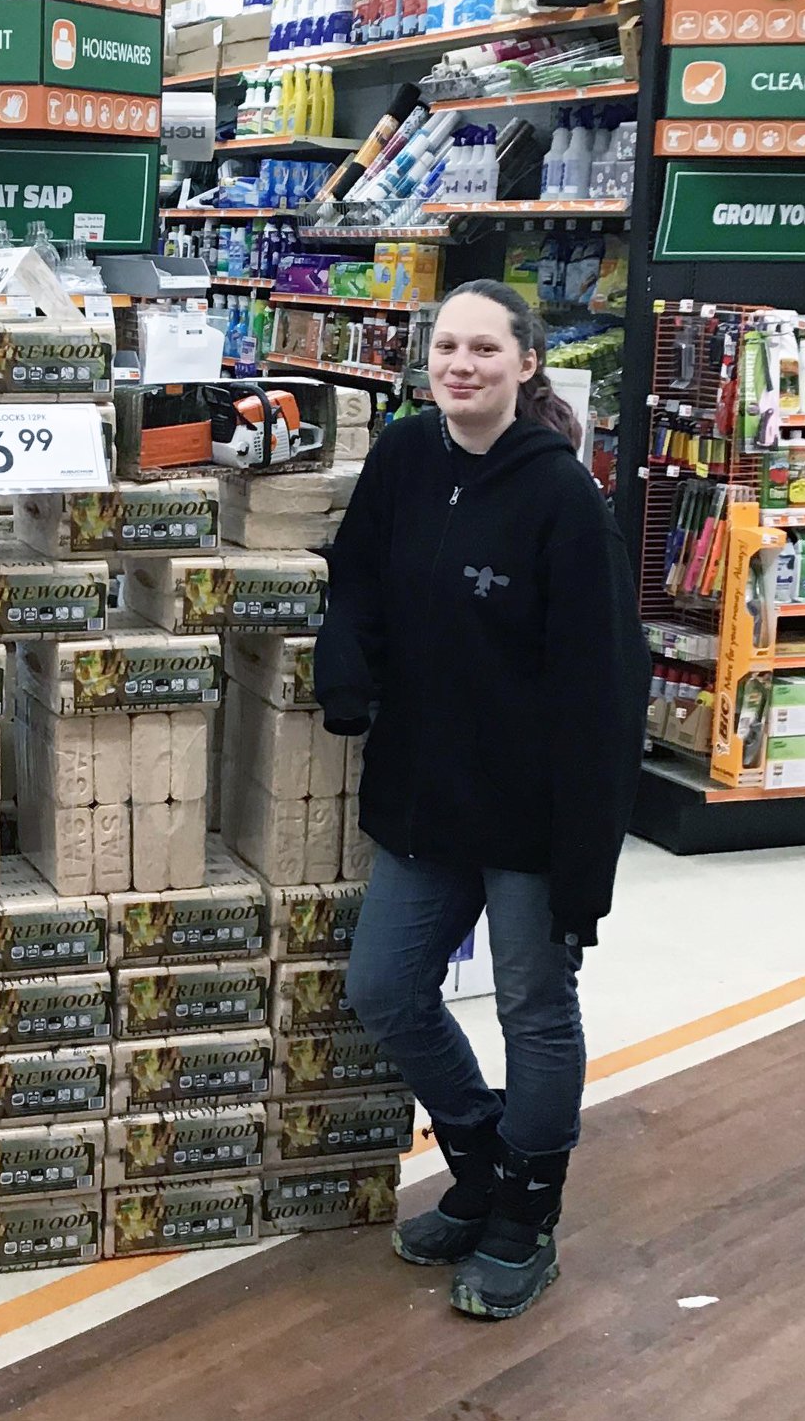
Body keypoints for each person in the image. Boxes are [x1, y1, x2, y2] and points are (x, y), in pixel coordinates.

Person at [317, 279, 647, 1321]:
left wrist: (585, 862)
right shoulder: (406, 456)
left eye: (485, 349)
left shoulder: (563, 499)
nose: (462, 366)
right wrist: (345, 664)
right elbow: (357, 575)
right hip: (425, 793)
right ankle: (482, 1155)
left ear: (526, 364)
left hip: (534, 811)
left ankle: (526, 1217)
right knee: (384, 988)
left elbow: (604, 689)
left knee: (532, 1008)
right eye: (448, 348)